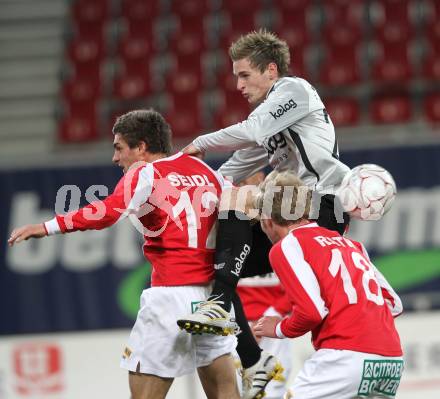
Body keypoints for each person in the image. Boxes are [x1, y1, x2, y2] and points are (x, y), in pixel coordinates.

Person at [8, 109, 240, 399]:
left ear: (141, 148)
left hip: (170, 298)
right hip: (212, 299)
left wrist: (47, 226)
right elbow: (244, 212)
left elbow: (107, 212)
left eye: (119, 148)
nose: (115, 158)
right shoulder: (205, 171)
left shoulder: (145, 172)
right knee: (226, 392)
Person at [178, 29, 352, 398]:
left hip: (324, 206)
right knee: (213, 266)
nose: (238, 85)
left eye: (244, 75)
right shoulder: (272, 125)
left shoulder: (294, 91)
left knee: (237, 201)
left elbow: (251, 131)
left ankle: (221, 303)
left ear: (271, 70)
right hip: (294, 215)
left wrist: (199, 143)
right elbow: (232, 169)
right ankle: (254, 361)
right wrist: (182, 182)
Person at [252, 170, 404, 399]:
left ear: (267, 220)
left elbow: (311, 312)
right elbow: (394, 305)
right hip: (390, 361)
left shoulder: (287, 246)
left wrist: (278, 328)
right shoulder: (352, 245)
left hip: (344, 358)